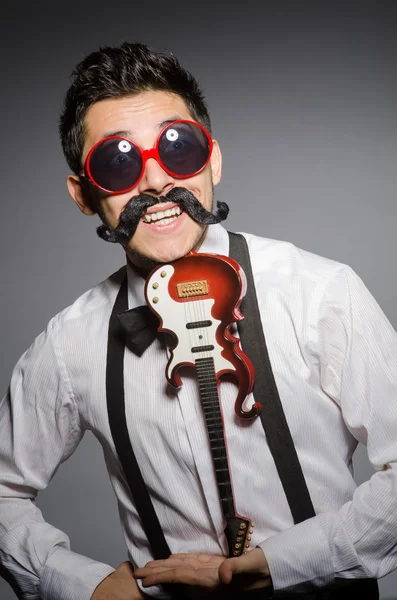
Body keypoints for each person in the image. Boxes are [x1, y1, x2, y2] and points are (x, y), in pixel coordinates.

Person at [0, 41, 396, 600]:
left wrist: (280, 563)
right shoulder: (71, 343)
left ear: (212, 160)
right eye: (118, 162)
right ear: (84, 195)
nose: (157, 182)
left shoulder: (319, 292)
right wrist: (79, 586)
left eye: (177, 148)